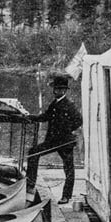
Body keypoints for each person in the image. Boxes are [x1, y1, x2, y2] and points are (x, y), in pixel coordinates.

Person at [26, 74, 82, 203]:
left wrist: (67, 130)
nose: (57, 91)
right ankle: (30, 185)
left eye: (60, 89)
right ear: (54, 90)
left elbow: (79, 120)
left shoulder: (69, 104)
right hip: (52, 141)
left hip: (65, 142)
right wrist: (30, 117)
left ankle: (66, 196)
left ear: (64, 91)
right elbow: (45, 116)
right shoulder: (54, 103)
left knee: (68, 168)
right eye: (56, 89)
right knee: (33, 153)